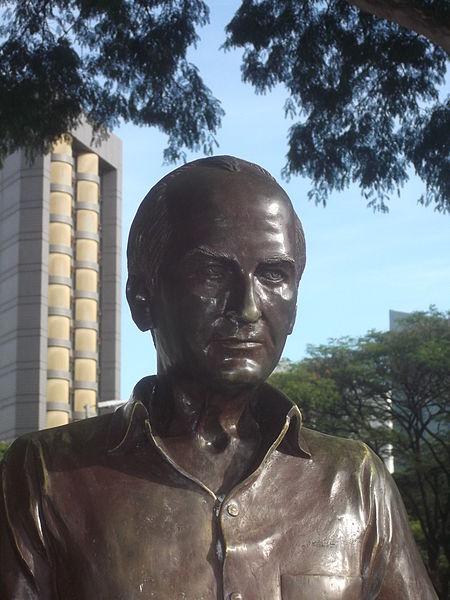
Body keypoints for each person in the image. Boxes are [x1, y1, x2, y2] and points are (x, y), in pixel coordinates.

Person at [0, 156, 436, 599]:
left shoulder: (356, 482)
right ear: (141, 299)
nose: (247, 307)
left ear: (296, 306)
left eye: (273, 275)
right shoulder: (46, 476)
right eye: (211, 272)